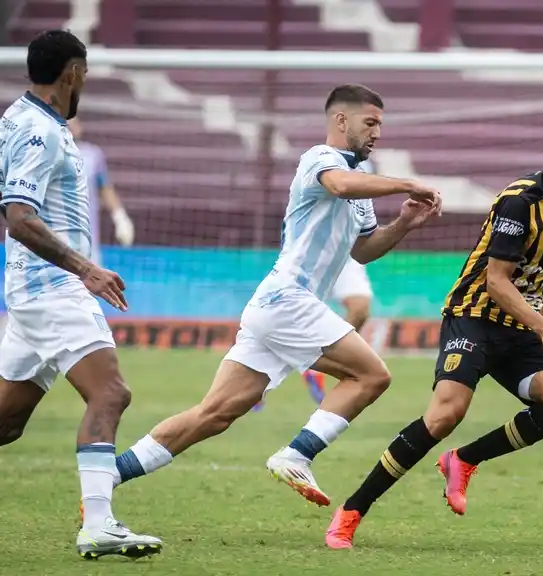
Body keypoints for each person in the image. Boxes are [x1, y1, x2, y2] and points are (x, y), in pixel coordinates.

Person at [110, 85, 443, 510]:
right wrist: (407, 183)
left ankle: (107, 476)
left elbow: (363, 249)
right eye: (370, 122)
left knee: (214, 414)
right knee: (371, 375)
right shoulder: (321, 160)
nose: (378, 132)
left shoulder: (363, 178)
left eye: (381, 124)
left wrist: (403, 225)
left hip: (279, 306)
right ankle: (297, 454)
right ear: (341, 121)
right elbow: (339, 185)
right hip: (289, 300)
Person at [324, 131, 543, 549]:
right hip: (474, 317)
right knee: (445, 415)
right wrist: (542, 325)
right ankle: (351, 512)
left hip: (521, 325)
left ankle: (463, 460)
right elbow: (496, 282)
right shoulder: (519, 201)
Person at [0, 30, 162, 559]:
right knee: (111, 393)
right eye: (85, 73)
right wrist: (84, 267)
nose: (85, 82)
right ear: (71, 72)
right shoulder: (37, 131)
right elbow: (19, 217)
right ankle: (99, 524)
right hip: (53, 287)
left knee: (8, 420)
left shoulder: (26, 121)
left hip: (33, 289)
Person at [300, 158, 377, 405]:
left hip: (347, 253)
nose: (373, 133)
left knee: (360, 308)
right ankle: (258, 378)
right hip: (315, 253)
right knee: (286, 320)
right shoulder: (324, 160)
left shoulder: (367, 167)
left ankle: (314, 365)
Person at [66, 118, 134, 262]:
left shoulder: (93, 155)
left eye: (74, 122)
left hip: (86, 241)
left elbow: (105, 187)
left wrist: (120, 217)